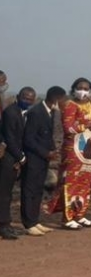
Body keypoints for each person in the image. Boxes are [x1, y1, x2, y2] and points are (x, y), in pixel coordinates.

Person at [50, 77, 91, 230]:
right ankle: (68, 217)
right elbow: (68, 128)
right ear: (73, 89)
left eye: (86, 88)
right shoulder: (69, 105)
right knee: (71, 183)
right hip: (74, 150)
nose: (83, 91)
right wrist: (87, 125)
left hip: (89, 150)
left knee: (85, 183)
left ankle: (80, 214)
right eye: (80, 87)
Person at [21, 86, 65, 236]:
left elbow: (46, 135)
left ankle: (35, 220)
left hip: (44, 158)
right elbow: (29, 139)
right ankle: (28, 223)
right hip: (34, 157)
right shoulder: (36, 112)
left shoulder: (50, 112)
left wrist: (52, 150)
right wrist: (46, 152)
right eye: (62, 99)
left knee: (39, 190)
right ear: (56, 99)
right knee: (29, 190)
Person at [0, 87, 36, 239]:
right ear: (18, 96)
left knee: (7, 193)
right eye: (25, 98)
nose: (27, 101)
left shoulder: (24, 114)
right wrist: (21, 158)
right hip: (9, 157)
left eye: (30, 99)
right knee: (4, 194)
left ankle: (5, 224)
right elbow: (10, 138)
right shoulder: (10, 112)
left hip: (15, 157)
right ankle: (3, 225)